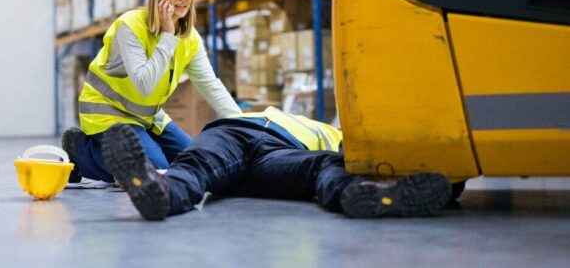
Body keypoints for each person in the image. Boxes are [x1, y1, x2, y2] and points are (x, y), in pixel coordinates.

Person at [62, 0, 242, 183]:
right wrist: (167, 36)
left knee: (197, 162)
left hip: (147, 117)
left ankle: (138, 150)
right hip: (108, 113)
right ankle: (80, 151)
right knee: (155, 171)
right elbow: (145, 84)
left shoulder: (191, 38)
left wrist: (243, 126)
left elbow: (210, 85)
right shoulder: (130, 26)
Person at [100, 106, 453, 220]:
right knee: (196, 162)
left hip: (276, 155)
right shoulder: (323, 131)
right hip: (238, 132)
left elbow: (386, 155)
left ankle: (366, 193)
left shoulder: (344, 141)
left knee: (328, 167)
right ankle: (156, 190)